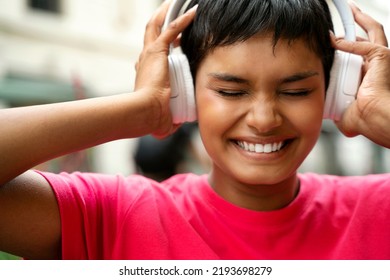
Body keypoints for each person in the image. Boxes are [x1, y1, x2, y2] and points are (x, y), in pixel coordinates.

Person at [0, 0, 389, 260]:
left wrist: (380, 111)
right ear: (184, 91)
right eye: (230, 91)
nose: (264, 118)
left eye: (295, 91)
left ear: (337, 90)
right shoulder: (116, 214)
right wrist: (137, 109)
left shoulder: (377, 210)